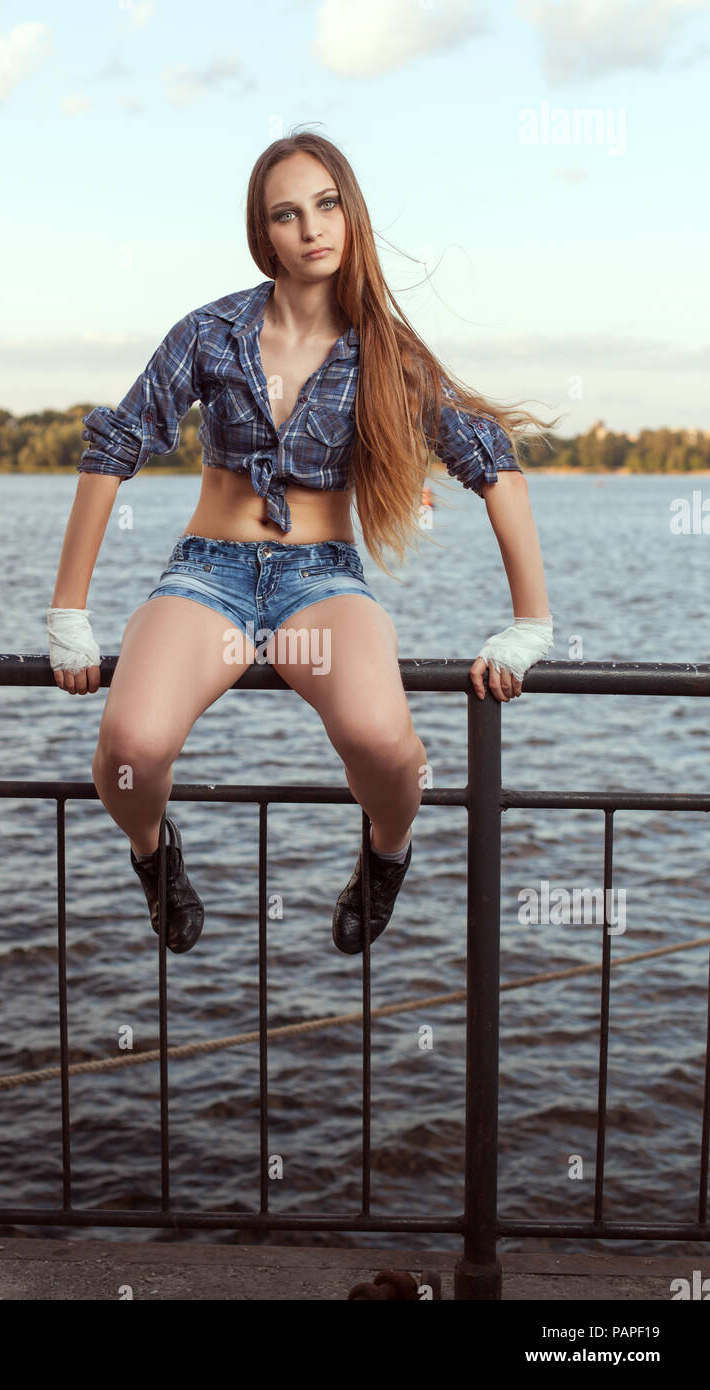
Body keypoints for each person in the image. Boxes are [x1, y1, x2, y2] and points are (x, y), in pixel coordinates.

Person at [47, 129, 556, 958]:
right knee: (130, 749)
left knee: (387, 746)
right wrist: (67, 610)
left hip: (320, 582)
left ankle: (385, 853)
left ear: (350, 215)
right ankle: (154, 855)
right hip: (208, 576)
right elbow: (114, 448)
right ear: (265, 234)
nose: (311, 228)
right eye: (287, 214)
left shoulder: (388, 353)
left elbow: (493, 465)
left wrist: (530, 623)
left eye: (326, 205)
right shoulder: (208, 332)